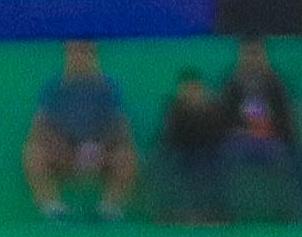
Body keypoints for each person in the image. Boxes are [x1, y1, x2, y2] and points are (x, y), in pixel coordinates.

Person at [24, 40, 138, 221]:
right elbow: (40, 128)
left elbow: (120, 126)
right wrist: (60, 146)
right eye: (73, 53)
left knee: (127, 155)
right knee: (33, 153)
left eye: (84, 53)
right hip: (62, 152)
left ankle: (110, 210)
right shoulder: (53, 88)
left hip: (101, 152)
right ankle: (53, 209)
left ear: (93, 57)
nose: (78, 57)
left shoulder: (108, 88)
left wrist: (100, 148)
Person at [221, 32, 301, 217]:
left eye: (257, 54)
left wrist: (272, 132)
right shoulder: (232, 86)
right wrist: (243, 131)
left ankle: (290, 213)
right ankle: (229, 212)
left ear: (264, 56)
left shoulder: (276, 85)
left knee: (289, 157)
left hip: (274, 141)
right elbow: (224, 120)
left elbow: (286, 119)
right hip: (240, 140)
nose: (253, 60)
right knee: (225, 155)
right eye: (248, 54)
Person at [154, 69, 233, 224]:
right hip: (179, 153)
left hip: (209, 154)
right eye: (188, 89)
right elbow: (170, 137)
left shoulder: (214, 109)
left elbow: (219, 134)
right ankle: (173, 214)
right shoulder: (173, 108)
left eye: (195, 89)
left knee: (211, 162)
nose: (192, 93)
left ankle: (215, 213)